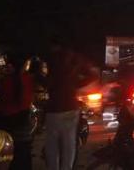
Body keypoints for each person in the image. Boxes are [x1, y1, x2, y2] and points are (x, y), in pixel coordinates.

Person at [42, 39, 97, 170]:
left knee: (52, 145)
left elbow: (48, 83)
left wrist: (38, 77)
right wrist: (75, 85)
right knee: (69, 144)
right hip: (71, 106)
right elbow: (93, 75)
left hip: (54, 107)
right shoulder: (76, 59)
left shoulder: (51, 58)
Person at [0, 54, 34, 170]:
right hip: (22, 118)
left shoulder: (5, 80)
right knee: (23, 149)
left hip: (6, 119)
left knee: (8, 149)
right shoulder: (27, 78)